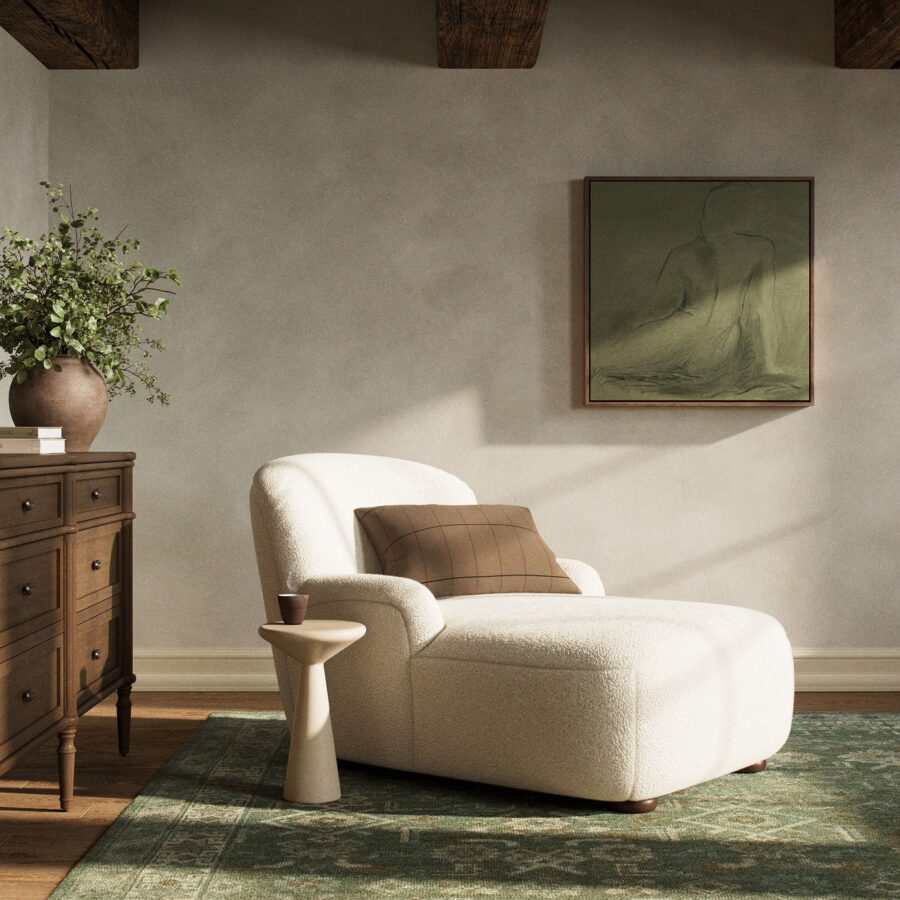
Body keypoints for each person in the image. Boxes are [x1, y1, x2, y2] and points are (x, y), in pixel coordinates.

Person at [592, 182, 797, 399]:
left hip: (681, 339)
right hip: (717, 352)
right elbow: (759, 313)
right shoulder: (760, 249)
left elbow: (657, 310)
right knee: (604, 361)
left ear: (708, 219)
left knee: (603, 359)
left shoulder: (683, 254)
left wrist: (632, 327)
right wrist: (767, 365)